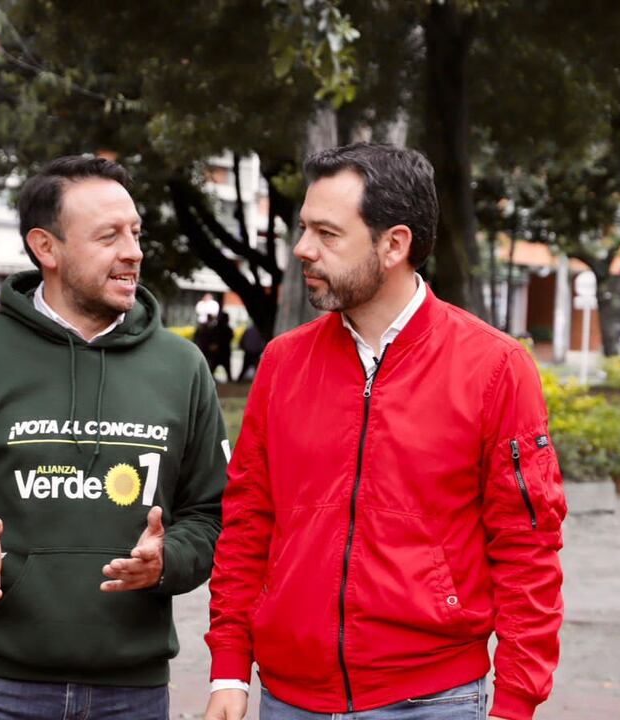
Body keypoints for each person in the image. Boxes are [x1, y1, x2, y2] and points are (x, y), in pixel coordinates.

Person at [204, 143, 567, 720]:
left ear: (394, 244)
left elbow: (527, 548)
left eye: (327, 233)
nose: (303, 249)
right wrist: (228, 668)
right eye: (304, 228)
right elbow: (247, 524)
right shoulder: (282, 363)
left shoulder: (495, 368)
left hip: (433, 700)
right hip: (288, 697)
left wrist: (516, 701)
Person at [0, 155, 228, 720]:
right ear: (46, 248)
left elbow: (213, 514)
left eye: (135, 233)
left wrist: (168, 559)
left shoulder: (183, 367)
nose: (133, 251)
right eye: (109, 236)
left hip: (133, 690)